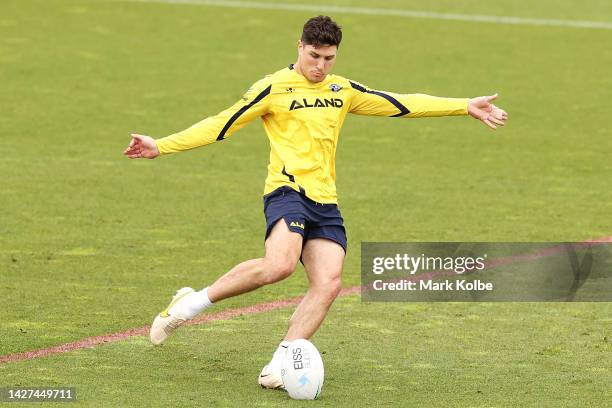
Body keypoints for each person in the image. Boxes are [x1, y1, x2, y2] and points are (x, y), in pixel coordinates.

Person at [123, 15, 508, 390]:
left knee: (328, 284)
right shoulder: (274, 87)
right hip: (287, 192)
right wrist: (163, 145)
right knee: (279, 266)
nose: (321, 67)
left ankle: (279, 364)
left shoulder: (342, 91)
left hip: (326, 202)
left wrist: (463, 105)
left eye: (329, 59)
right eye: (314, 57)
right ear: (300, 47)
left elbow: (400, 103)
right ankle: (189, 306)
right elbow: (221, 123)